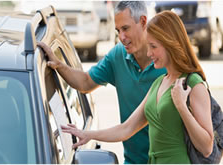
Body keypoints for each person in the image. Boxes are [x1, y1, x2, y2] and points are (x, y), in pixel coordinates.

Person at [61, 10, 214, 164]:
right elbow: (126, 129)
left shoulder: (193, 83)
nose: (149, 53)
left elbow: (207, 147)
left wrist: (182, 107)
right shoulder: (159, 82)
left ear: (170, 44)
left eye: (153, 46)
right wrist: (88, 134)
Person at [38, 1, 166, 164]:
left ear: (142, 21)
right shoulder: (117, 56)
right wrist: (59, 66)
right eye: (118, 31)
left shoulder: (167, 59)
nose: (121, 37)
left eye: (125, 29)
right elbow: (85, 82)